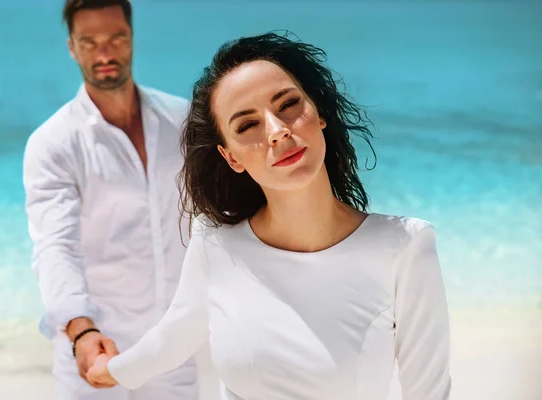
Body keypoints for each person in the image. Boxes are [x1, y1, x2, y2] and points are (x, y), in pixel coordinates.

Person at [85, 32, 452, 399]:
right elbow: (176, 335)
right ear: (231, 158)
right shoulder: (216, 242)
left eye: (288, 104)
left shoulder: (403, 248)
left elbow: (429, 393)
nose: (278, 131)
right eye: (247, 125)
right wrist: (111, 370)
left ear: (319, 112)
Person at [22, 1, 200, 399]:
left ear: (132, 39)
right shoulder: (53, 144)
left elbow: (221, 216)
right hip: (97, 348)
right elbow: (55, 245)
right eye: (90, 42)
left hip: (173, 348)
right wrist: (81, 330)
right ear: (72, 47)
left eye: (116, 38)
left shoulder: (185, 122)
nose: (104, 53)